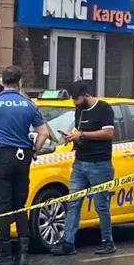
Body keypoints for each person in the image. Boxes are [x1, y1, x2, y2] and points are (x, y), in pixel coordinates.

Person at [0, 65, 48, 265]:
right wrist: (35, 151)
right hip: (23, 158)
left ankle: (5, 253)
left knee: (3, 207)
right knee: (19, 205)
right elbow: (44, 133)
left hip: (2, 158)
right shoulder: (28, 104)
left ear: (2, 82)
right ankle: (23, 254)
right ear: (20, 82)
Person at [51, 80, 117, 256]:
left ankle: (107, 241)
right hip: (80, 162)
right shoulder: (79, 111)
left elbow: (108, 133)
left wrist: (83, 134)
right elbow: (80, 133)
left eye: (76, 99)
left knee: (101, 204)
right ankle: (68, 242)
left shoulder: (104, 108)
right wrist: (74, 137)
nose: (74, 102)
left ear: (86, 95)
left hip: (99, 164)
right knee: (73, 202)